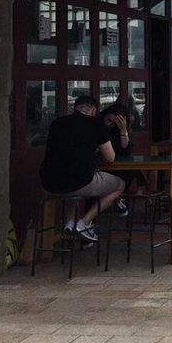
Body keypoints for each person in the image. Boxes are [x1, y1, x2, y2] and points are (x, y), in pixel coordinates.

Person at [39, 95, 124, 242]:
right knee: (119, 185)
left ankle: (69, 223)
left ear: (75, 108)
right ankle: (84, 223)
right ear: (93, 110)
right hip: (78, 182)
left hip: (48, 183)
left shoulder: (57, 123)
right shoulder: (96, 124)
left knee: (74, 180)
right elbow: (110, 158)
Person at [98, 100, 142, 216]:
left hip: (115, 162)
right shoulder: (97, 125)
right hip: (99, 163)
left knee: (131, 171)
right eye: (109, 120)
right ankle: (115, 198)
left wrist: (123, 130)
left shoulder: (118, 130)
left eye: (114, 123)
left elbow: (125, 148)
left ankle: (116, 198)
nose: (110, 124)